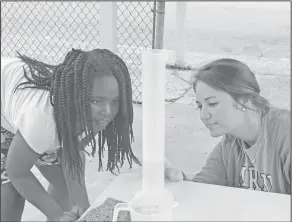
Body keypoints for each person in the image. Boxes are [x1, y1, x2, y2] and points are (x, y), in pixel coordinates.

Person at [1, 48, 142, 221]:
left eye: (115, 101)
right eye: (97, 101)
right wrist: (55, 214)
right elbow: (17, 171)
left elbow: (71, 151)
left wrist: (81, 203)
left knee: (65, 187)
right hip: (9, 105)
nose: (108, 111)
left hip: (23, 110)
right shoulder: (43, 121)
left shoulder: (98, 113)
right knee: (10, 196)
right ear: (77, 97)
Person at [177, 58, 290, 195]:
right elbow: (201, 191)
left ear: (245, 101)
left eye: (212, 103)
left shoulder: (286, 134)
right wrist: (175, 181)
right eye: (200, 106)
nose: (203, 115)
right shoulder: (230, 143)